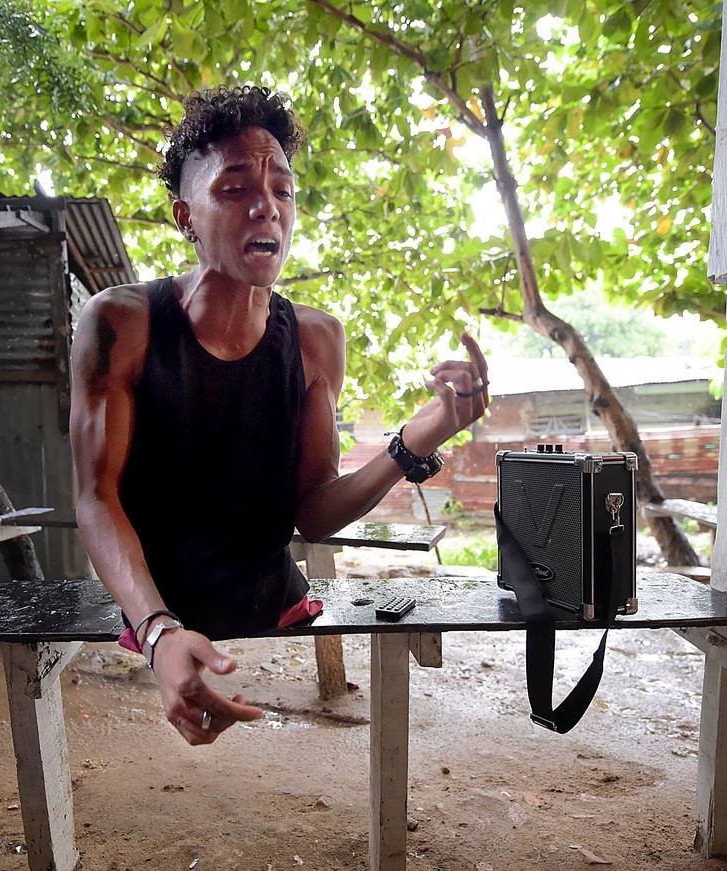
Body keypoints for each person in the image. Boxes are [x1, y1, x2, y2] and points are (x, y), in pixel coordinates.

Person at [70, 86, 489, 746]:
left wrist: (426, 433)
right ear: (185, 215)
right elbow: (97, 497)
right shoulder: (122, 324)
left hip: (276, 621)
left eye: (283, 191)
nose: (266, 206)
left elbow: (314, 511)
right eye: (234, 189)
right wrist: (157, 632)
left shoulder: (315, 340)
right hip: (152, 620)